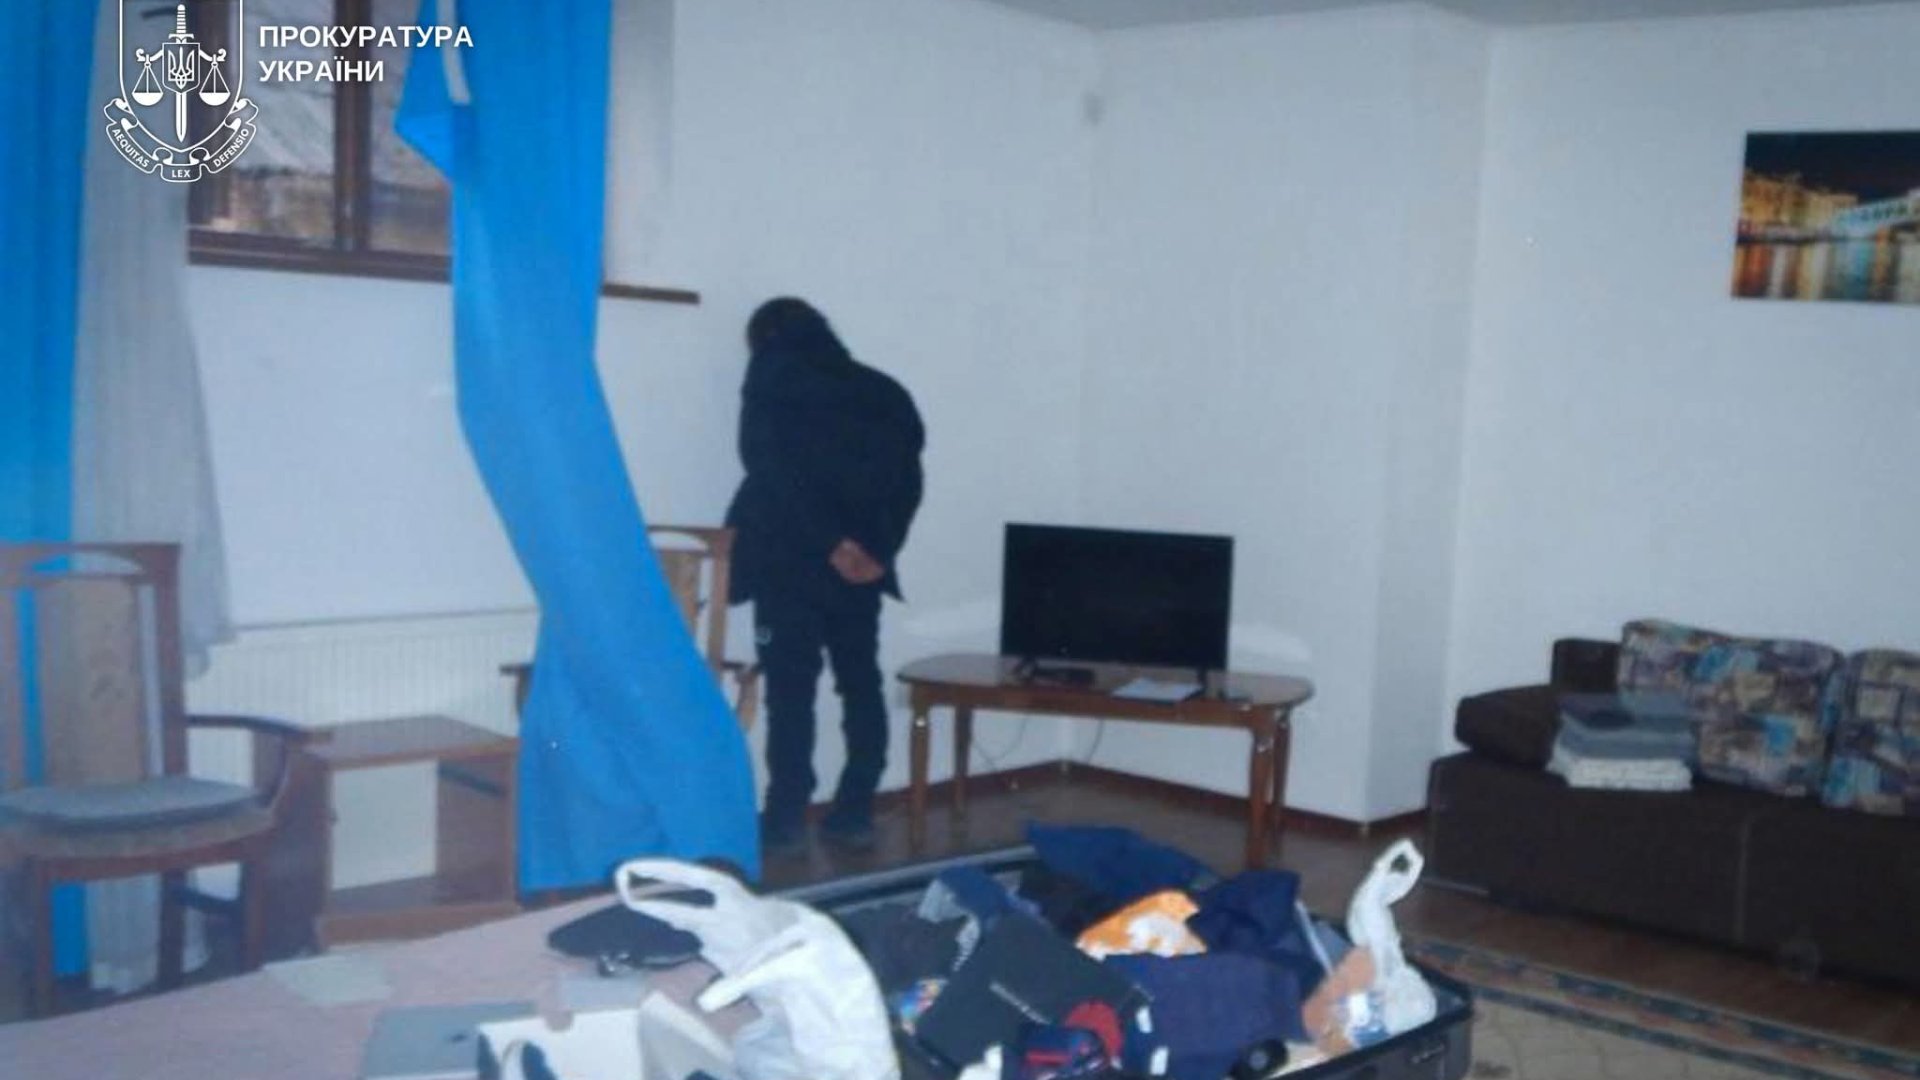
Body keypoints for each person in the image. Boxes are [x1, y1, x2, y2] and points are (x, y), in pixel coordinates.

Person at [725, 298, 925, 854]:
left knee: (790, 693)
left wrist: (827, 543)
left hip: (788, 562)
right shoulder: (883, 391)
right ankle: (855, 810)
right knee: (860, 683)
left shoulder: (772, 379)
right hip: (861, 569)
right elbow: (907, 485)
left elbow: (772, 475)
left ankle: (786, 817)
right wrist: (876, 551)